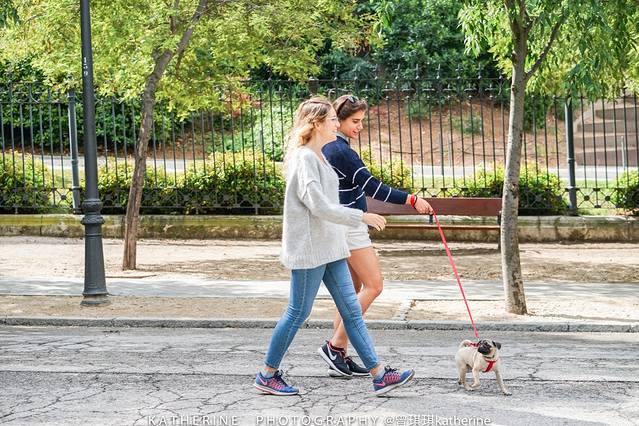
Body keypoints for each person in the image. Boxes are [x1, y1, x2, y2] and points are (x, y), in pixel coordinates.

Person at [254, 96, 415, 396]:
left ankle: (380, 375)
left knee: (351, 311)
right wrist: (361, 216)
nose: (335, 124)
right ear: (316, 123)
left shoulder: (321, 156)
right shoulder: (304, 159)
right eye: (331, 120)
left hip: (331, 246)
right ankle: (267, 374)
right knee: (297, 313)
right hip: (311, 249)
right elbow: (319, 206)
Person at [318, 94, 434, 378]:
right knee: (374, 285)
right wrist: (411, 199)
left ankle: (339, 356)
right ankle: (335, 346)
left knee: (350, 292)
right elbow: (373, 187)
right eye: (355, 121)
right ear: (339, 121)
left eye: (361, 121)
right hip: (350, 226)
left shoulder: (329, 147)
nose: (360, 127)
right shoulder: (341, 151)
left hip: (339, 223)